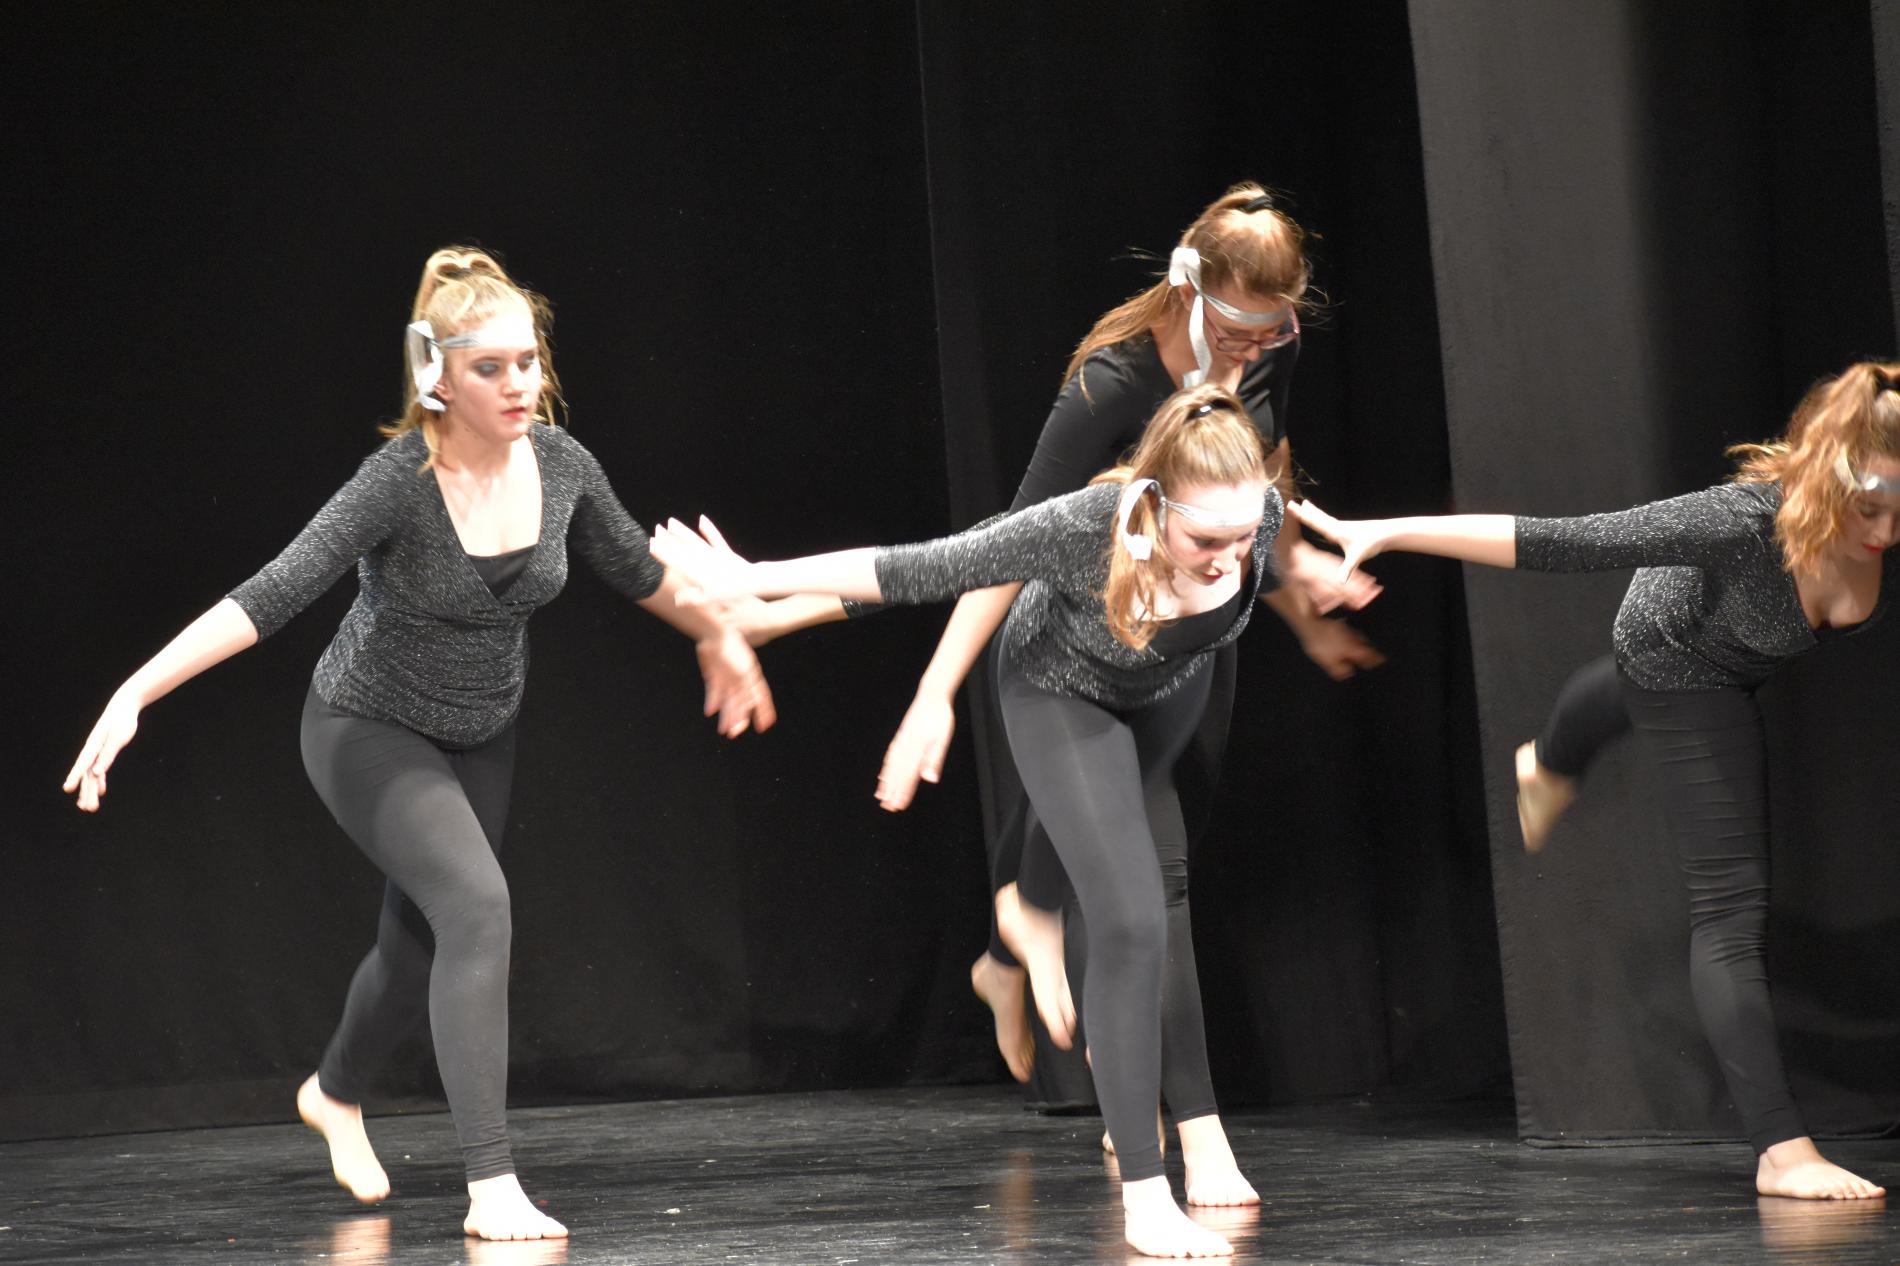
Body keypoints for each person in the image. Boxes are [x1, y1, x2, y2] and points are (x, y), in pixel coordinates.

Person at [61, 248, 778, 1240]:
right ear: (437, 375)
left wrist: (718, 638)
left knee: (418, 948)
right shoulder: (398, 483)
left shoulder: (563, 465)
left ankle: (333, 1091)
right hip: (366, 726)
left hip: (481, 733)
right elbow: (274, 591)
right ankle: (492, 1184)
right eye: (491, 368)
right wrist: (135, 691)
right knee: (477, 907)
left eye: (527, 361)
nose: (519, 384)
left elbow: (637, 569)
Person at [742, 185, 1381, 1102]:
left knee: (1161, 836)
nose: (1254, 346)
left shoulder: (1270, 351)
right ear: (1189, 288)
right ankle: (1133, 1109)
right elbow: (994, 554)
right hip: (1085, 627)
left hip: (1190, 635)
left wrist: (1304, 603)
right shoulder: (1111, 387)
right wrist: (933, 695)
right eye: (1237, 327)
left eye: (1273, 328)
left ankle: (1009, 958)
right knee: (1129, 867)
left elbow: (1258, 483)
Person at [653, 383, 1283, 1258]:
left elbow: (1264, 564)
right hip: (1059, 688)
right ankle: (1146, 1192)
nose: (1226, 559)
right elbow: (926, 567)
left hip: (1167, 685)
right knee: (1133, 917)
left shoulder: (1260, 520)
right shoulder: (1086, 526)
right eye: (1206, 539)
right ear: (1155, 504)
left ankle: (1033, 917)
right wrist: (757, 580)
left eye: (1242, 538)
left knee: (1149, 880)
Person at [1288, 360, 1899, 1202]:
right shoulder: (1737, 523)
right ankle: (1782, 1152)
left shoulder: (1873, 514)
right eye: (1869, 509)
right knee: (1730, 913)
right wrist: (1385, 532)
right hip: (1677, 654)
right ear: (1828, 475)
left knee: (1616, 700)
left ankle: (1545, 762)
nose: (1885, 532)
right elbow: (1564, 540)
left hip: (1734, 644)